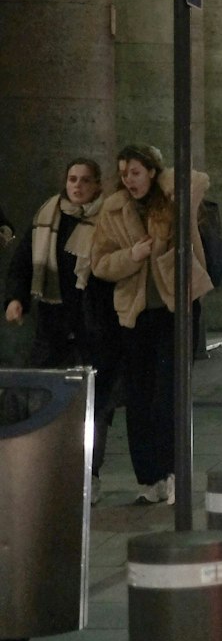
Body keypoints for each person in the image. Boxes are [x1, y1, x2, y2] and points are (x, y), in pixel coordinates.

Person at [91, 144, 212, 505]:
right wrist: (133, 255)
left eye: (136, 172)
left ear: (153, 173)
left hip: (175, 312)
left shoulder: (173, 201)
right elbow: (99, 263)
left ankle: (173, 473)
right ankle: (149, 479)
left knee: (169, 397)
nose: (129, 180)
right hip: (134, 315)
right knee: (140, 399)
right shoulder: (112, 210)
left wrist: (168, 180)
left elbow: (198, 181)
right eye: (124, 173)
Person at [4, 159, 121, 493]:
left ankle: (90, 475)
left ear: (98, 185)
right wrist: (17, 300)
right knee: (39, 394)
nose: (78, 186)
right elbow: (23, 264)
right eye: (72, 179)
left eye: (85, 181)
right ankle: (45, 468)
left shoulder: (108, 219)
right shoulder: (48, 216)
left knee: (94, 405)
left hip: (95, 326)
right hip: (53, 325)